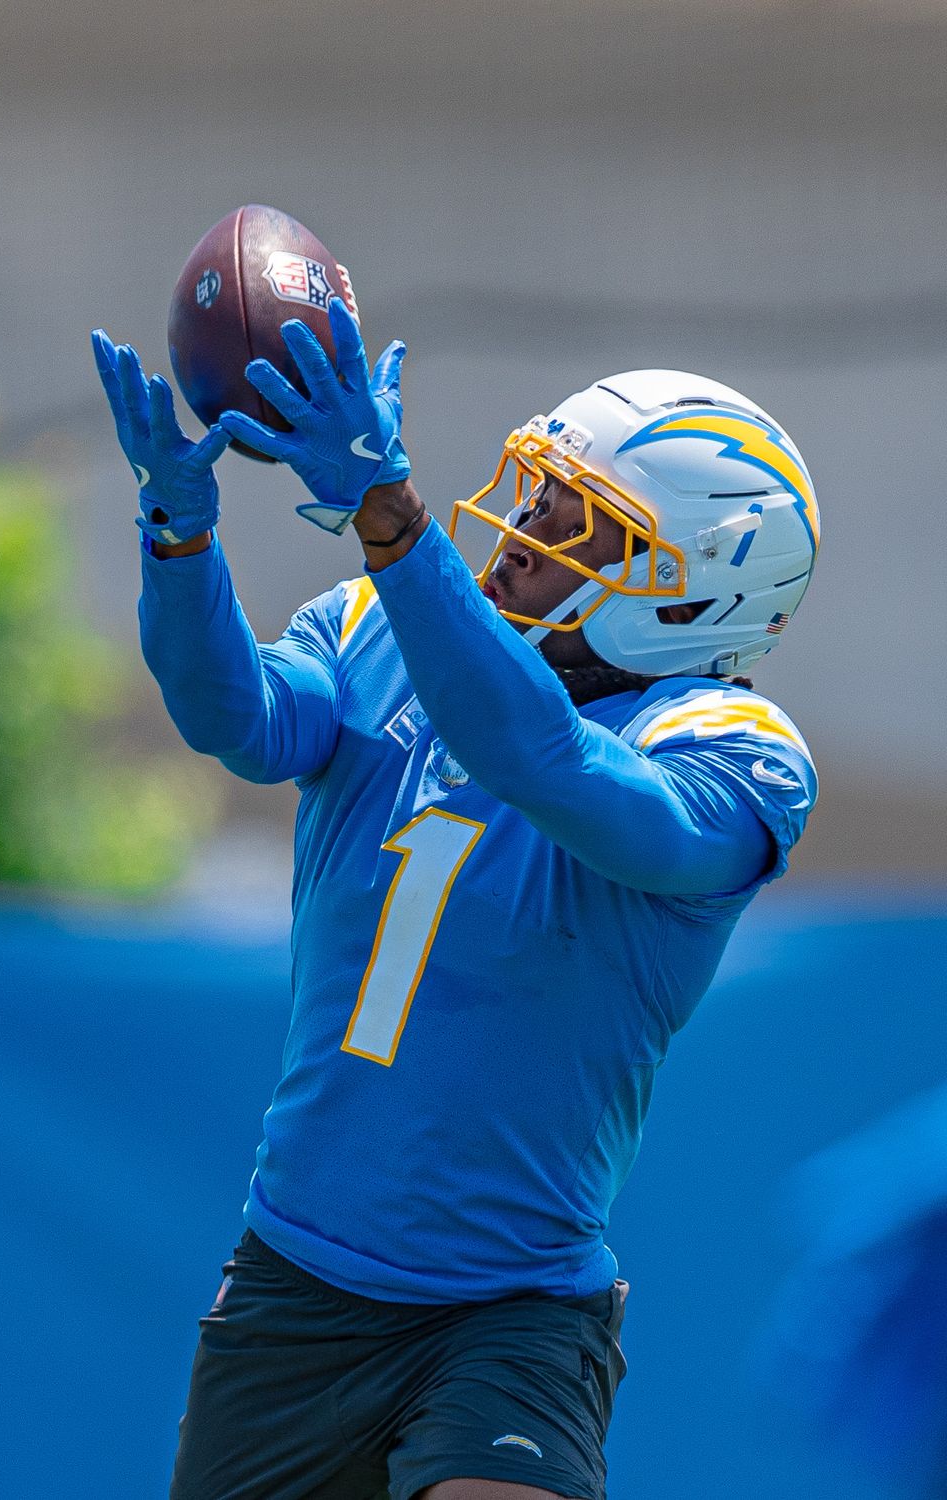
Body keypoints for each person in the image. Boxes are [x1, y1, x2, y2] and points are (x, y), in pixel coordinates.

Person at [92, 298, 820, 1500]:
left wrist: (392, 520)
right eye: (538, 494)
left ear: (691, 597)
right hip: (294, 1274)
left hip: (510, 1307)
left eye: (587, 526)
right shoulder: (382, 620)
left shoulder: (730, 748)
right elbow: (235, 720)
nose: (527, 534)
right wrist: (180, 537)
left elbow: (555, 769)